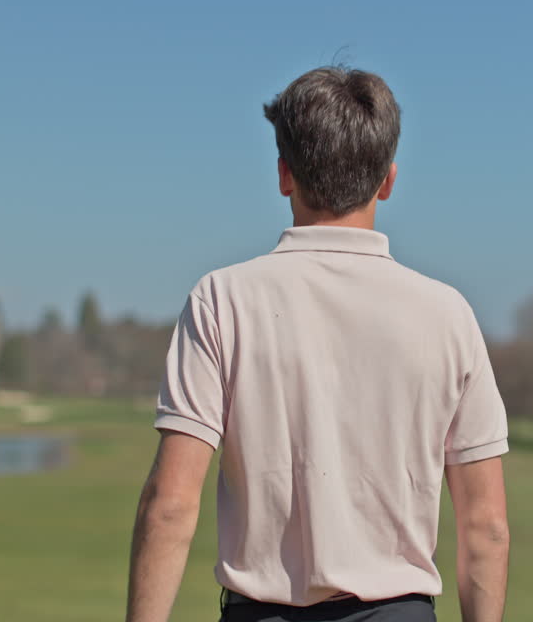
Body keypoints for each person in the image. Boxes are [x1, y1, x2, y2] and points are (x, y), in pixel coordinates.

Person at [124, 67, 510, 622]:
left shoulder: (222, 299)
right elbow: (486, 527)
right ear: (388, 180)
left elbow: (170, 506)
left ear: (284, 174)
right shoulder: (447, 312)